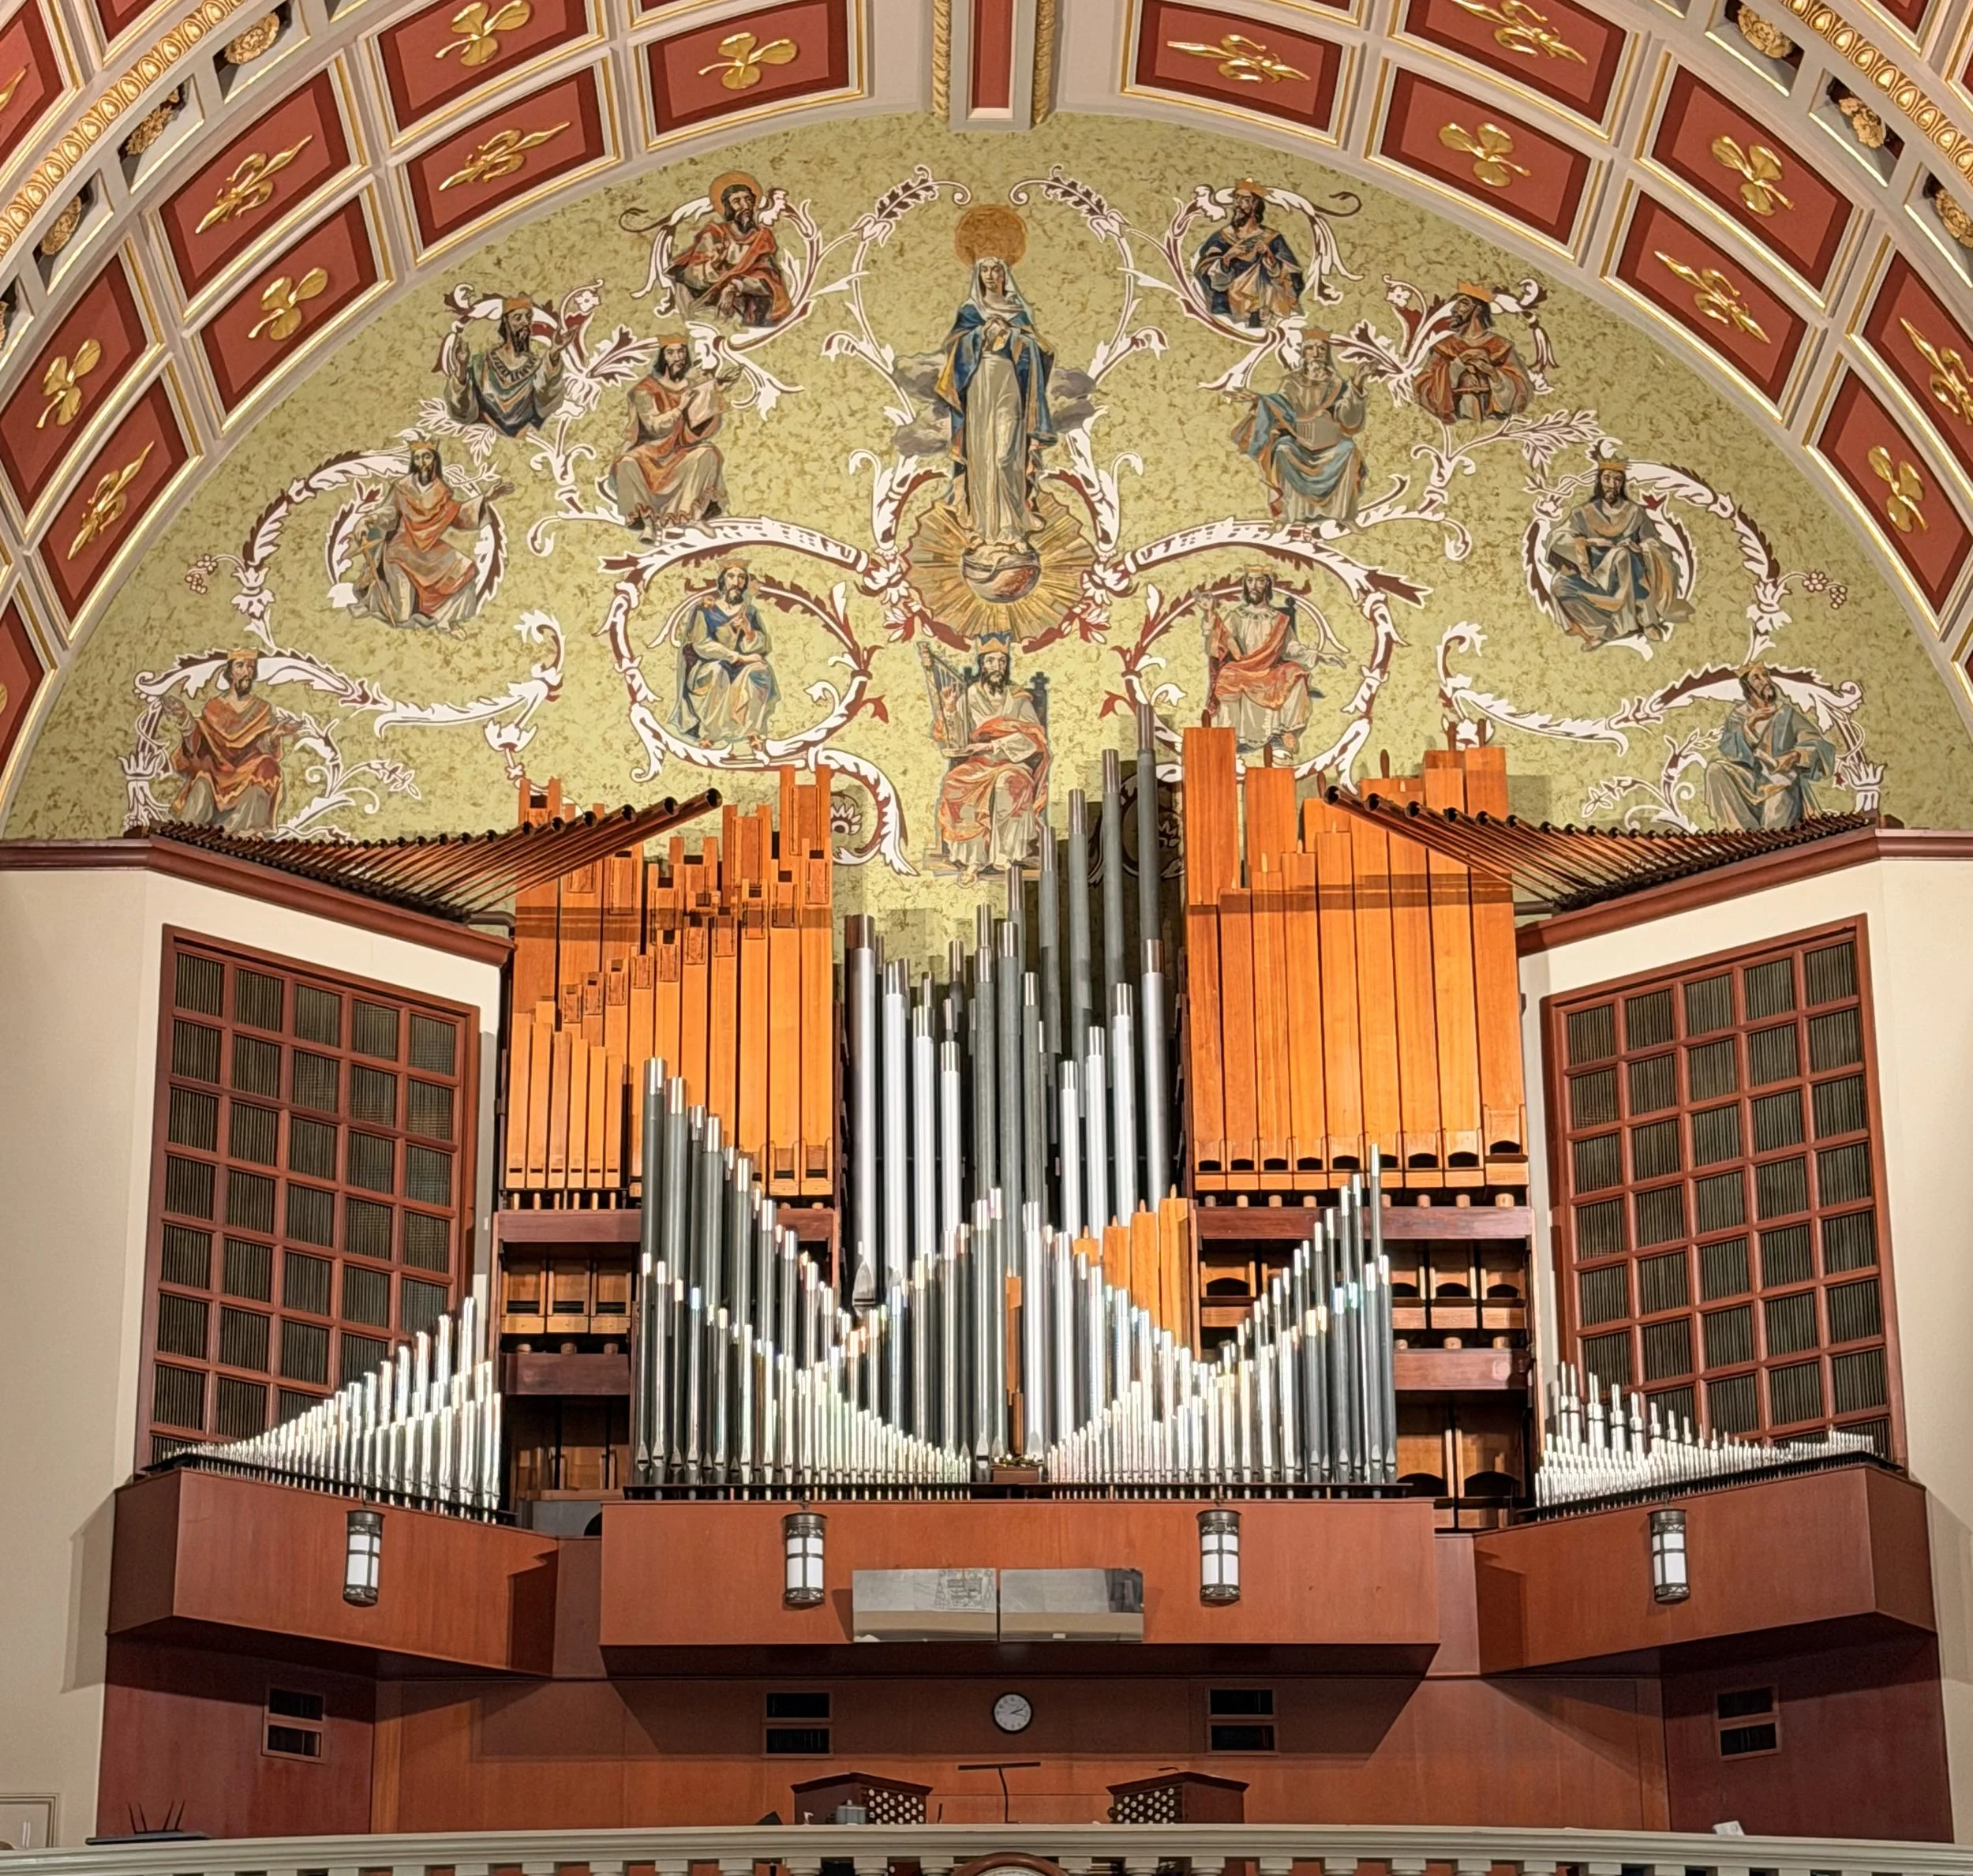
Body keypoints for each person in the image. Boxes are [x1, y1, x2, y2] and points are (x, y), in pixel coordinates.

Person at [931, 256, 1056, 549]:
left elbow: (1040, 351)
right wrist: (980, 334)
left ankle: (1012, 525)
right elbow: (955, 350)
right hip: (979, 383)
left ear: (1005, 273)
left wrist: (1011, 335)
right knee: (982, 454)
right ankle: (985, 528)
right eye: (984, 270)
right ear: (978, 275)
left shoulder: (1019, 312)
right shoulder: (970, 311)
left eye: (996, 269)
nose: (990, 275)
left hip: (1009, 379)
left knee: (1006, 454)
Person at [919, 635, 1050, 881]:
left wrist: (995, 744)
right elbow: (954, 735)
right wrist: (948, 709)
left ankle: (1006, 857)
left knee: (1006, 785)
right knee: (955, 784)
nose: (997, 667)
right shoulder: (970, 696)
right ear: (982, 665)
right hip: (979, 763)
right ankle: (973, 861)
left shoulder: (1019, 699)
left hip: (1011, 762)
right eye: (991, 661)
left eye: (1001, 661)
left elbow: (1033, 738)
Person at [345, 439, 506, 632]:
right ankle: (372, 594)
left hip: (428, 550)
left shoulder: (441, 492)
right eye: (418, 457)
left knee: (464, 569)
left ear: (434, 461)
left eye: (426, 456)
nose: (422, 461)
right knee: (401, 615)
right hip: (401, 551)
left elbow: (457, 514)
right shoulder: (402, 488)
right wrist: (367, 520)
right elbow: (387, 513)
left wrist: (486, 497)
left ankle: (445, 619)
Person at [1546, 455, 1692, 649]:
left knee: (1621, 556)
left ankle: (1646, 621)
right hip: (1594, 574)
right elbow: (1558, 538)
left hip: (1629, 575)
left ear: (1622, 483)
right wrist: (1589, 542)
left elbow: (1654, 543)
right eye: (1607, 479)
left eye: (1617, 480)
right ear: (1599, 481)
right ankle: (1600, 630)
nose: (1612, 485)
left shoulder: (1634, 512)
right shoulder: (1583, 513)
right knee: (1559, 584)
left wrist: (1639, 548)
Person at [1233, 339, 1369, 527]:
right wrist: (1260, 400)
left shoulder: (1336, 384)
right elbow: (1281, 407)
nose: (1316, 353)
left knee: (1348, 450)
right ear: (1303, 354)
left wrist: (1357, 385)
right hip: (1298, 442)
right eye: (1310, 349)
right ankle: (1284, 516)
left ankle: (1344, 515)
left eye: (1321, 348)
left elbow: (1349, 420)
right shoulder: (1291, 382)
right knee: (1281, 450)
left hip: (1329, 442)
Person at [163, 652, 300, 831]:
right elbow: (200, 744)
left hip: (245, 771)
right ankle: (187, 833)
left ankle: (237, 833)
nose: (247, 672)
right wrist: (184, 718)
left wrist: (276, 734)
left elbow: (261, 748)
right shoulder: (214, 707)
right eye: (240, 666)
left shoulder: (261, 709)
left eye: (251, 667)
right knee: (203, 782)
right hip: (217, 771)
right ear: (230, 672)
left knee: (267, 766)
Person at [608, 336, 728, 537]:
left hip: (679, 450)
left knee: (708, 453)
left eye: (681, 352)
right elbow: (655, 426)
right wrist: (680, 407)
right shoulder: (644, 389)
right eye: (671, 353)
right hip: (650, 451)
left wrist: (713, 396)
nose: (677, 358)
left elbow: (697, 428)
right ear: (662, 357)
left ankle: (694, 516)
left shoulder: (689, 387)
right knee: (626, 464)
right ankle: (648, 524)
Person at [1204, 568, 1325, 760]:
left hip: (1270, 672)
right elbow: (1222, 642)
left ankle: (1279, 737)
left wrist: (1317, 655)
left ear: (1266, 584)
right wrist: (1210, 617)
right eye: (1249, 581)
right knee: (1227, 676)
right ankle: (1230, 741)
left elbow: (1290, 648)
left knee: (1296, 673)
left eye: (1259, 581)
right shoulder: (1236, 616)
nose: (1253, 586)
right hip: (1243, 668)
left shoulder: (1279, 619)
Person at [1705, 664, 1835, 830]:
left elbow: (1818, 744)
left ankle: (1771, 841)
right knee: (1715, 770)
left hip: (1779, 778)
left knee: (1777, 806)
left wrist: (1795, 756)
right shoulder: (1739, 716)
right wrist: (1749, 725)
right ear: (1747, 686)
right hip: (1750, 779)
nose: (1765, 681)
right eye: (1757, 678)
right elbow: (1729, 750)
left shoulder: (1785, 713)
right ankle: (1740, 833)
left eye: (1766, 675)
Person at [671, 563, 778, 750]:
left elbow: (762, 646)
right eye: (731, 577)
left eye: (741, 578)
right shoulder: (705, 609)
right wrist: (737, 656)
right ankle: (711, 732)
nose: (736, 582)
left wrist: (748, 630)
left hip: (741, 667)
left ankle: (751, 729)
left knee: (760, 671)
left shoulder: (750, 612)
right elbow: (701, 644)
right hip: (710, 664)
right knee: (717, 671)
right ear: (722, 581)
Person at [668, 172, 792, 328]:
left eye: (748, 199)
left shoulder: (762, 238)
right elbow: (693, 274)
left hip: (748, 305)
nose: (745, 206)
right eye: (737, 201)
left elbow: (769, 279)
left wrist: (735, 285)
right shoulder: (715, 235)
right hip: (711, 303)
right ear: (727, 207)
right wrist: (716, 270)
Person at [1414, 283, 1533, 425]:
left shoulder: (1500, 346)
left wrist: (1493, 374)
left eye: (1463, 303)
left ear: (1477, 310)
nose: (1454, 309)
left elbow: (1521, 390)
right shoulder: (1446, 346)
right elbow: (1423, 386)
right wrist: (1457, 365)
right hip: (1460, 417)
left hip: (1490, 421)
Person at [443, 297, 566, 435]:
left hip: (527, 436)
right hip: (489, 436)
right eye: (518, 318)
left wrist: (554, 352)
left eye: (528, 317)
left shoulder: (537, 365)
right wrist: (461, 368)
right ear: (506, 322)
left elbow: (546, 399)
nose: (525, 322)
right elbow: (462, 411)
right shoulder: (481, 364)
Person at [1192, 181, 1305, 329]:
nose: (1237, 204)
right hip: (1230, 307)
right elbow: (1203, 270)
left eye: (1244, 200)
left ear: (1255, 206)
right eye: (1236, 198)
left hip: (1265, 306)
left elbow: (1293, 278)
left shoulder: (1272, 238)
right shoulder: (1222, 237)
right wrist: (1227, 257)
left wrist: (1269, 257)